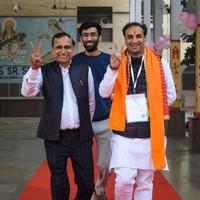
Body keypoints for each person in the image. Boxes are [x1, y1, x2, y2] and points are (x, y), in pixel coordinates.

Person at [99, 22, 177, 200]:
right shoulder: (117, 61)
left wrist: (151, 107)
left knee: (145, 183)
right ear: (125, 39)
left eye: (138, 36)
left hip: (150, 133)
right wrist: (112, 68)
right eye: (130, 37)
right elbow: (103, 92)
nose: (134, 40)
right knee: (124, 181)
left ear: (144, 38)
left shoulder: (160, 63)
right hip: (123, 134)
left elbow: (170, 95)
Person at [21, 32, 96, 200]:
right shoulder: (43, 71)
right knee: (59, 183)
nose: (63, 51)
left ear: (73, 49)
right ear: (53, 50)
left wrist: (84, 124)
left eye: (67, 47)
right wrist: (33, 69)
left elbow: (91, 102)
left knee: (87, 183)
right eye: (59, 47)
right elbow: (28, 92)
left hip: (80, 137)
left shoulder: (84, 70)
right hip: (55, 138)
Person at [73, 22, 111, 200]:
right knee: (83, 163)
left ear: (99, 37)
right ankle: (86, 192)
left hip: (106, 120)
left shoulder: (110, 60)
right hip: (82, 122)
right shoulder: (75, 61)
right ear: (81, 38)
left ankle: (100, 189)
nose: (89, 38)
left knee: (106, 162)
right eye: (85, 35)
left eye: (93, 34)